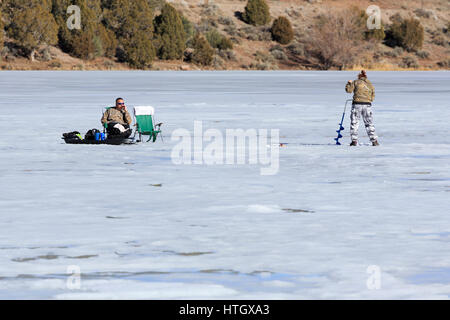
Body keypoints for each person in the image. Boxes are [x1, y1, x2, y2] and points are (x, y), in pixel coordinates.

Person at [345, 70, 379, 146]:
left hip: (357, 104)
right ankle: (374, 141)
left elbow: (349, 90)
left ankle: (354, 141)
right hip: (367, 105)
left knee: (355, 122)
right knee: (369, 123)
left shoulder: (355, 82)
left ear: (359, 77)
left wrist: (349, 83)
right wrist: (368, 99)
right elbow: (373, 97)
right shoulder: (370, 84)